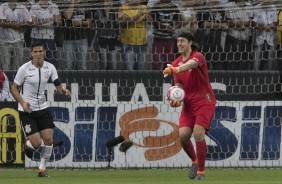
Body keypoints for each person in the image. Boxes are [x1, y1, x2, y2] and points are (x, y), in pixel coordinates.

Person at [10, 42, 71, 177]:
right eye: (35, 52)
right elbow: (14, 88)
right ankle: (28, 144)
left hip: (43, 109)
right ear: (31, 54)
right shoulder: (24, 69)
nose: (38, 54)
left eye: (40, 51)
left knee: (49, 140)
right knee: (37, 143)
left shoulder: (50, 68)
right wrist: (23, 103)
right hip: (27, 111)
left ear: (44, 53)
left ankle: (42, 170)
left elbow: (58, 86)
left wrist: (64, 91)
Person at [163, 31, 216, 180]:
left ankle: (201, 171)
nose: (179, 44)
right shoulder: (174, 63)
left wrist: (177, 69)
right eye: (178, 41)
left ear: (190, 43)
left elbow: (191, 65)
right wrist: (176, 100)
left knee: (198, 133)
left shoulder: (198, 57)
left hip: (205, 101)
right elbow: (178, 87)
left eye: (182, 41)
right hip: (188, 105)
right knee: (183, 137)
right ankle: (194, 161)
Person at [0, 0, 32, 71]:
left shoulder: (22, 7)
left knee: (17, 68)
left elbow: (30, 21)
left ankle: (16, 82)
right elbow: (1, 22)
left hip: (19, 42)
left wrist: (22, 25)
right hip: (4, 43)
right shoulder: (2, 7)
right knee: (5, 68)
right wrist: (15, 25)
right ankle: (7, 82)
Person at [29, 0, 62, 68]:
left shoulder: (54, 6)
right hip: (37, 38)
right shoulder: (34, 7)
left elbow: (59, 22)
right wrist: (47, 20)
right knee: (37, 63)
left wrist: (57, 20)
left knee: (51, 63)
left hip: (50, 38)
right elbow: (33, 23)